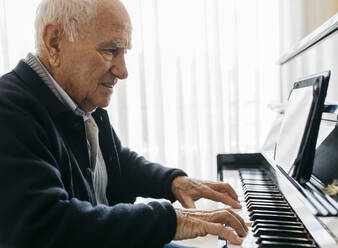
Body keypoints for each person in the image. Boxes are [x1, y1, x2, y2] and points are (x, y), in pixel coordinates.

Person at [0, 0, 248, 247]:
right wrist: (171, 220)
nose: (123, 70)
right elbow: (45, 227)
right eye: (110, 50)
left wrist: (171, 182)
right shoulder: (9, 111)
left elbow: (114, 162)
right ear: (54, 42)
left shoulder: (80, 100)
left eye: (124, 52)